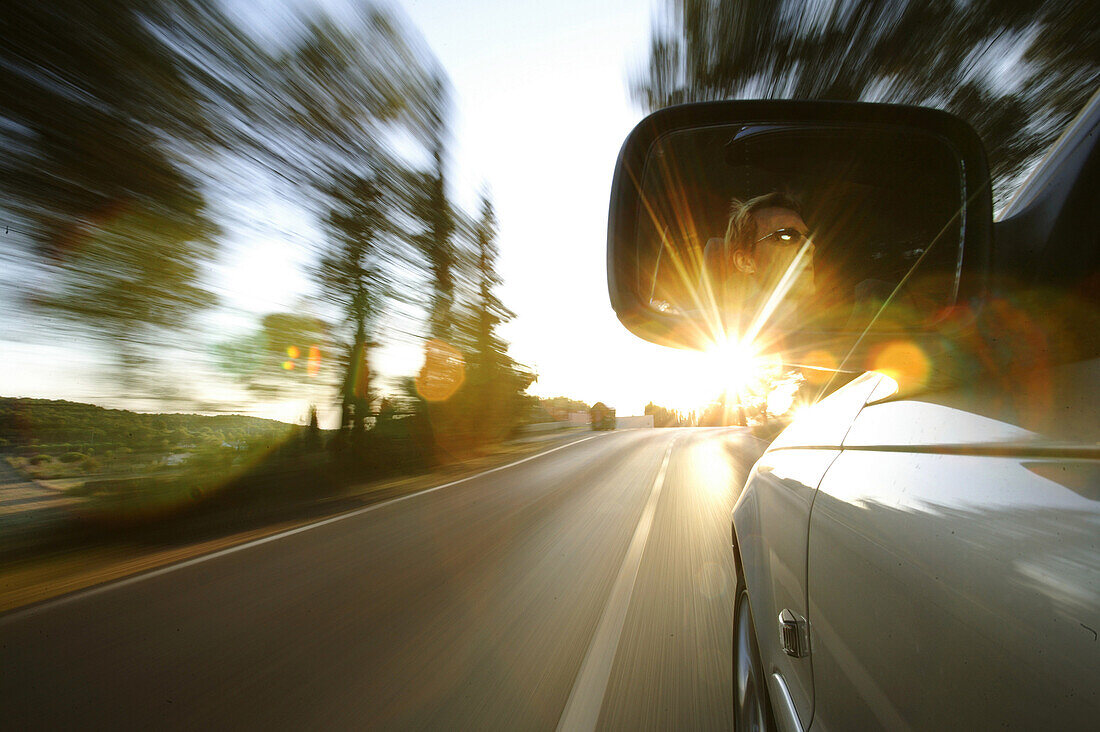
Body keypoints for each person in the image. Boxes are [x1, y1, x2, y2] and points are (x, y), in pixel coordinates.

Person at [704, 192, 815, 329]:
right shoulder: (703, 332)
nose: (809, 246)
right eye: (786, 236)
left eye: (807, 238)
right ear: (745, 261)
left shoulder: (837, 338)